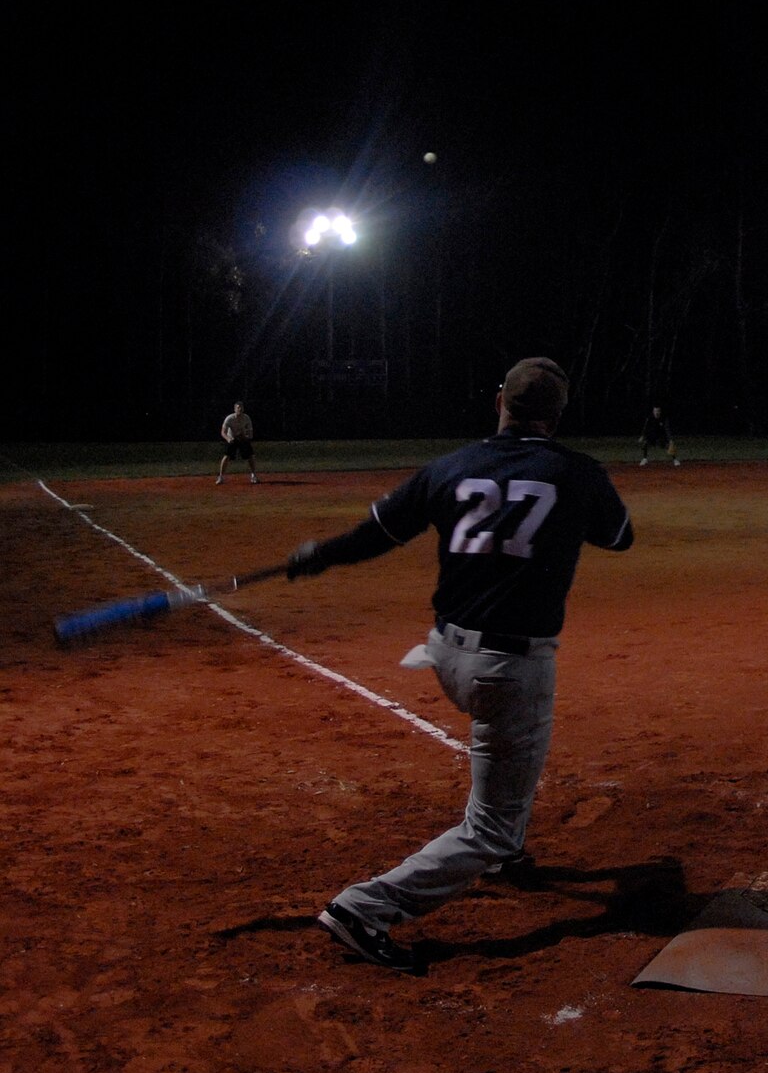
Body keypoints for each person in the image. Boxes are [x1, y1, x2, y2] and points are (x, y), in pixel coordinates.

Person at [288, 357, 633, 974]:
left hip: (445, 655)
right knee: (493, 824)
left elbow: (375, 535)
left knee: (505, 760)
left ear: (499, 399)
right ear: (556, 416)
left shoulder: (450, 467)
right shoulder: (575, 472)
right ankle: (365, 908)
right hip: (509, 668)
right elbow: (620, 538)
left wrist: (319, 555)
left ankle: (505, 856)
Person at [217, 402, 258, 484]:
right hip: (232, 438)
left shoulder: (246, 418)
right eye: (238, 407)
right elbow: (223, 432)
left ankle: (253, 475)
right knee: (227, 456)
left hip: (243, 438)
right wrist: (228, 438)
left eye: (241, 407)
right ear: (235, 409)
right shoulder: (229, 418)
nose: (240, 409)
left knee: (250, 455)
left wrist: (245, 436)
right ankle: (221, 477)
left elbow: (250, 433)